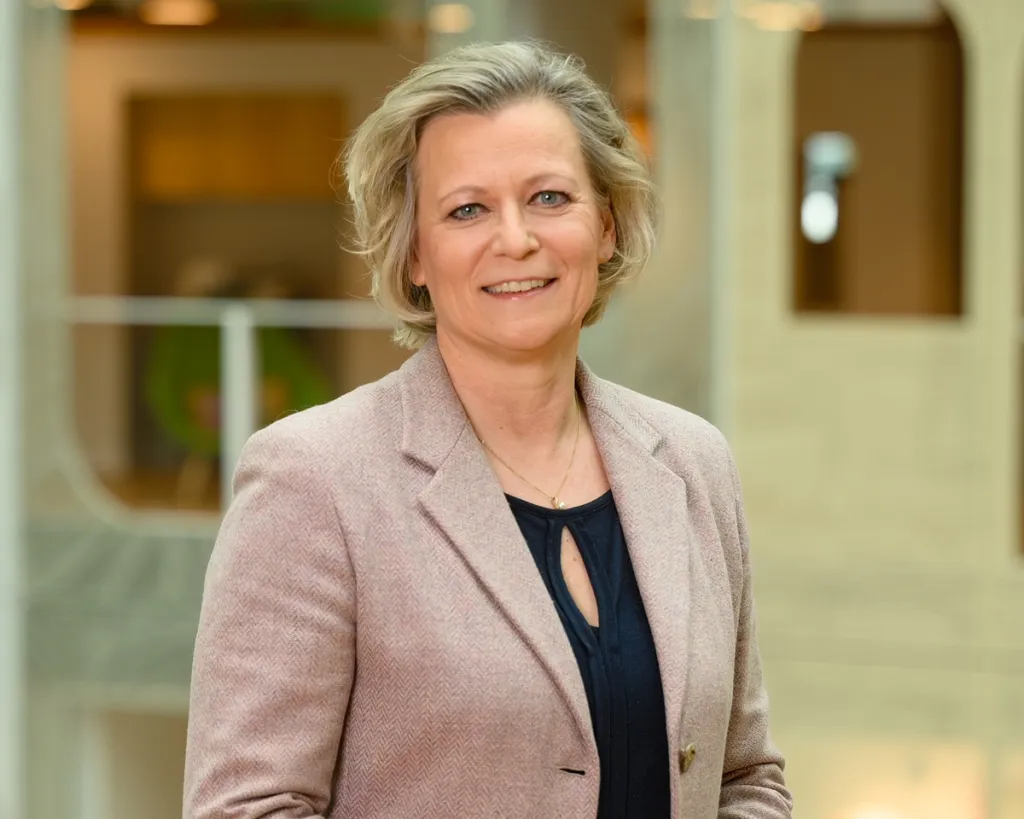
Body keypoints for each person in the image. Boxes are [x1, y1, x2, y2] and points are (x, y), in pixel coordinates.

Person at [183, 40, 793, 819]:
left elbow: (746, 778)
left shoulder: (694, 461)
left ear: (606, 225)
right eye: (467, 209)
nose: (516, 239)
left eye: (550, 197)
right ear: (414, 254)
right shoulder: (314, 480)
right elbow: (245, 807)